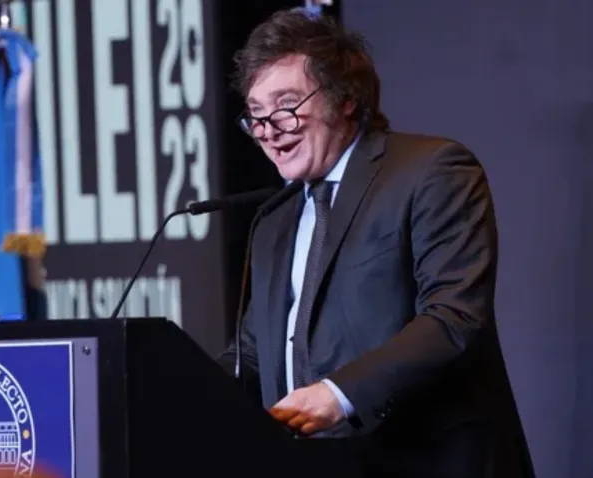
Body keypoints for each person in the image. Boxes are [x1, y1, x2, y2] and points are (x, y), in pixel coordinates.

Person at [219, 9, 533, 478]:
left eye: (286, 104)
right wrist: (174, 391)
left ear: (345, 98)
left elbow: (454, 317)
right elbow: (252, 355)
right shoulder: (274, 221)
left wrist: (339, 395)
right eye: (257, 114)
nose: (269, 129)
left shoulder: (432, 171)